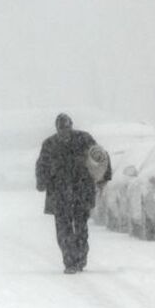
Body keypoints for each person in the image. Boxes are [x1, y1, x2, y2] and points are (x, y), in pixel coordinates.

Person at [35, 113, 111, 274]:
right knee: (64, 229)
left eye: (66, 128)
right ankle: (70, 261)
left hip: (80, 191)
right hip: (60, 194)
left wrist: (103, 177)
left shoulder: (84, 139)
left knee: (80, 227)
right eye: (61, 129)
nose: (64, 132)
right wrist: (41, 182)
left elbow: (101, 156)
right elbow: (42, 165)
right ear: (57, 129)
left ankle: (80, 258)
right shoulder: (50, 144)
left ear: (71, 126)